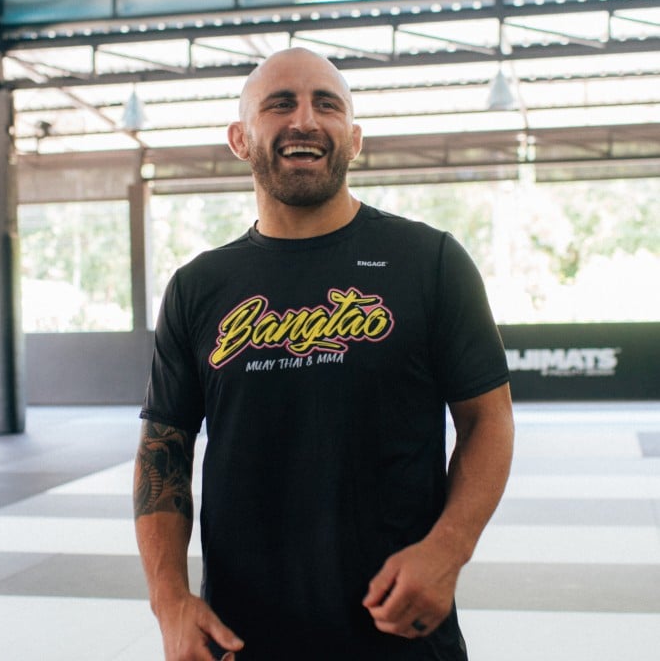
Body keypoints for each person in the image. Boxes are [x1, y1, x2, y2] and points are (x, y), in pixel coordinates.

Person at [134, 47, 515, 661]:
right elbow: (163, 450)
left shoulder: (431, 262)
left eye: (327, 105)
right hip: (239, 640)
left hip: (401, 638)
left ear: (354, 139)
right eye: (280, 104)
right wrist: (169, 600)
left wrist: (449, 547)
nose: (305, 121)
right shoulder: (197, 287)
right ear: (240, 139)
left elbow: (488, 419)